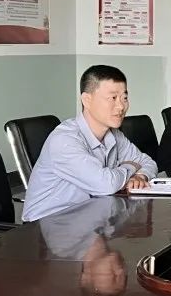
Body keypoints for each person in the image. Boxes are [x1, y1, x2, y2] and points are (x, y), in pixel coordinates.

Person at [22, 65, 158, 222]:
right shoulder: (64, 140)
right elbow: (106, 185)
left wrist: (140, 176)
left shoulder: (114, 134)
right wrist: (131, 167)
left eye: (124, 98)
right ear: (87, 100)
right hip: (46, 226)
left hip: (90, 219)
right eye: (113, 98)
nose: (121, 106)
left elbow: (148, 162)